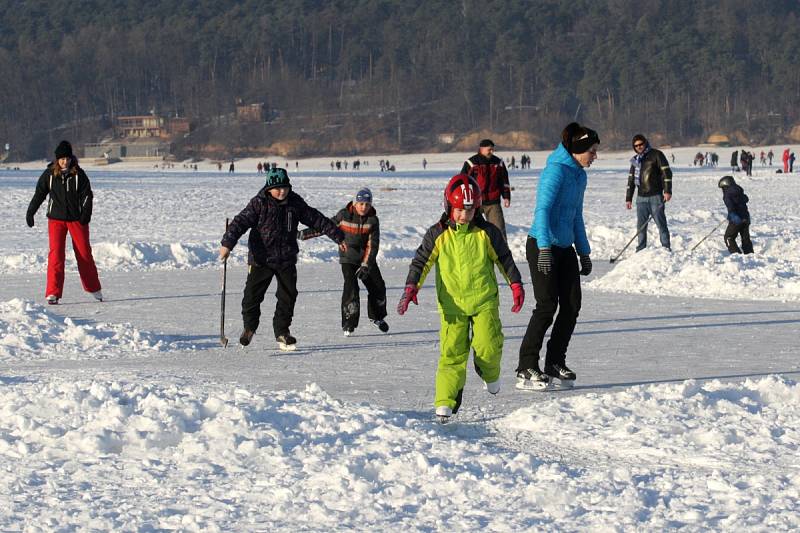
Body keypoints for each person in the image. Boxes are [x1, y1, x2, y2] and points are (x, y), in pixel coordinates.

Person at [397, 174, 524, 423]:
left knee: (488, 346)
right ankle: (445, 401)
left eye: (470, 210)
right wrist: (411, 287)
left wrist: (516, 284)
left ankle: (488, 371)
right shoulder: (438, 234)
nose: (464, 216)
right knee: (452, 353)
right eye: (459, 210)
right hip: (452, 305)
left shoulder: (487, 232)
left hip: (484, 301)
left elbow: (504, 259)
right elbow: (421, 261)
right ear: (448, 207)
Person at [220, 168, 345, 351]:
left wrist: (338, 237)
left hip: (286, 258)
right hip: (260, 259)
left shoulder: (295, 203)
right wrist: (227, 244)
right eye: (277, 188)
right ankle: (249, 327)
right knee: (251, 297)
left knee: (288, 296)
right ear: (269, 188)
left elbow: (317, 219)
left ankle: (282, 332)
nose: (282, 191)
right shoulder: (259, 203)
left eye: (285, 187)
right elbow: (240, 222)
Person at [516, 123, 597, 391]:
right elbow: (542, 211)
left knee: (572, 304)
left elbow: (576, 216)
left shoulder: (579, 176)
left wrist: (583, 251)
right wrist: (545, 247)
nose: (594, 156)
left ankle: (554, 362)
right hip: (542, 245)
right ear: (578, 150)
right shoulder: (555, 171)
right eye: (592, 151)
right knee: (546, 305)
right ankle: (527, 365)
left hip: (565, 248)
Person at [300, 187, 388, 336]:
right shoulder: (344, 215)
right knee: (351, 288)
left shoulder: (373, 220)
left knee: (378, 287)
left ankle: (377, 317)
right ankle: (349, 323)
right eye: (361, 204)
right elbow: (326, 227)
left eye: (367, 204)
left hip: (365, 259)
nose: (364, 207)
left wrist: (366, 265)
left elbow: (373, 246)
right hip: (348, 258)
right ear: (354, 203)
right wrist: (304, 234)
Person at [26, 140, 103, 304]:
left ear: (71, 158)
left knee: (84, 254)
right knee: (56, 255)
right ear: (57, 159)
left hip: (77, 220)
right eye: (61, 159)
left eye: (67, 158)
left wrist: (86, 215)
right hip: (56, 220)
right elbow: (39, 194)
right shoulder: (49, 175)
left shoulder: (79, 175)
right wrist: (31, 212)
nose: (65, 161)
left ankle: (94, 288)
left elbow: (87, 196)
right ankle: (53, 292)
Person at [626, 134, 673, 251]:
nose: (639, 147)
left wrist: (667, 190)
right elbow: (631, 180)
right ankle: (641, 249)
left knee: (661, 224)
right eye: (636, 146)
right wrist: (628, 198)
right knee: (641, 227)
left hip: (655, 196)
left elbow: (666, 173)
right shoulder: (635, 160)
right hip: (641, 198)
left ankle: (666, 248)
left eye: (641, 144)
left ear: (645, 143)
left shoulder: (656, 155)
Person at [461, 139, 511, 240]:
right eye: (489, 150)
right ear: (482, 149)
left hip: (493, 202)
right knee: (470, 229)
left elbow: (504, 181)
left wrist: (506, 197)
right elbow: (463, 182)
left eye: (493, 150)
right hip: (475, 203)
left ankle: (502, 253)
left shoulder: (498, 163)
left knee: (499, 230)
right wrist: (464, 200)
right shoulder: (471, 163)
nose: (492, 152)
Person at [718, 176, 753, 254]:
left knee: (728, 237)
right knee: (745, 238)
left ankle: (737, 256)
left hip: (737, 219)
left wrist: (731, 214)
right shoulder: (739, 191)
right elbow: (745, 199)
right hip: (746, 217)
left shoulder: (727, 194)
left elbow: (731, 206)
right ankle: (750, 255)